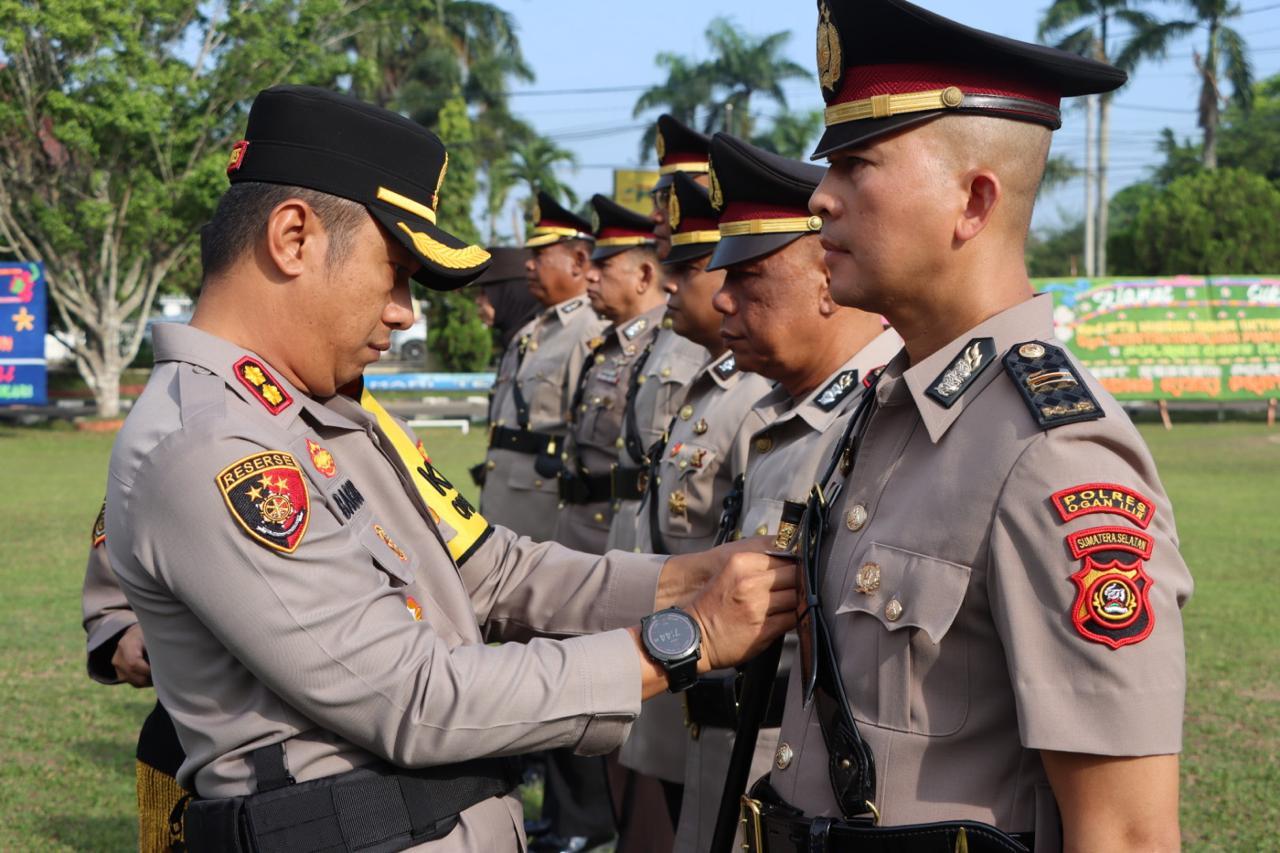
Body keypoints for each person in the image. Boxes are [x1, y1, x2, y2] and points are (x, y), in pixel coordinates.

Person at [102, 85, 799, 853]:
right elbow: (415, 696)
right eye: (395, 269)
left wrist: (692, 576)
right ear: (294, 238)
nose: (404, 311)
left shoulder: (321, 413)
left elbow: (489, 570)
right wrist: (683, 637)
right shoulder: (216, 447)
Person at [741, 2, 1193, 850]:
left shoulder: (1050, 453)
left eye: (857, 164)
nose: (819, 198)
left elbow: (1127, 832)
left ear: (973, 201)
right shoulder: (883, 412)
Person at [668, 135, 902, 853]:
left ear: (826, 282)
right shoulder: (781, 414)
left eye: (750, 276)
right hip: (730, 762)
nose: (720, 297)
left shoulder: (886, 419)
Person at [606, 116, 711, 554]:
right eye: (659, 196)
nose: (655, 213)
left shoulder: (723, 314)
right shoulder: (673, 315)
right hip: (638, 536)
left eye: (671, 196)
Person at [477, 194, 606, 540]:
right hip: (507, 504)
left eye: (539, 256)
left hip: (546, 515)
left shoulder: (589, 330)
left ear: (579, 261)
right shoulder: (535, 329)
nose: (528, 266)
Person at [552, 194, 667, 555]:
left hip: (621, 534)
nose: (590, 274)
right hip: (580, 525)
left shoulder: (667, 344)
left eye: (605, 265)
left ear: (644, 276)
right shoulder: (609, 343)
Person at [472, 246, 538, 350]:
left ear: (507, 294)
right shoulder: (514, 342)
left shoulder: (541, 343)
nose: (478, 301)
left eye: (485, 292)